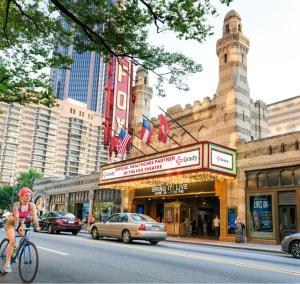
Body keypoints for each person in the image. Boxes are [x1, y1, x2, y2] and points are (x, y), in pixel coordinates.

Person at [1, 187, 40, 273]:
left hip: (20, 223)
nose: (28, 197)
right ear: (21, 196)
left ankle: (15, 252)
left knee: (24, 237)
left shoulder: (31, 205)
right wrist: (17, 227)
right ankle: (7, 265)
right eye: (26, 195)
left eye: (29, 196)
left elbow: (35, 216)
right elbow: (17, 217)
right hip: (11, 223)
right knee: (12, 240)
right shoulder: (16, 204)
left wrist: (37, 226)